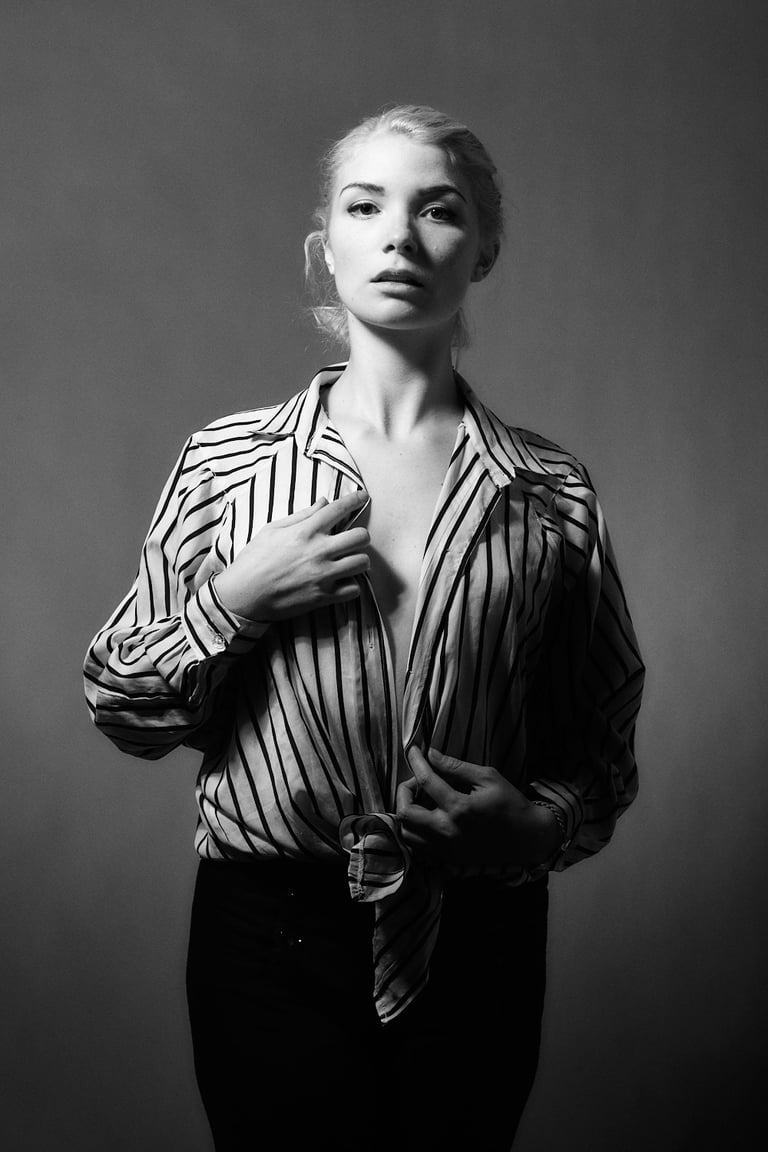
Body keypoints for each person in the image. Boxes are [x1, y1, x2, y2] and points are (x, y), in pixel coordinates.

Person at [84, 105, 644, 1151]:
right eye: (365, 205)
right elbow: (123, 705)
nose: (399, 235)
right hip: (269, 940)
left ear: (483, 249)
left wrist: (535, 827)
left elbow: (599, 748)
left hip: (480, 937)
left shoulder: (552, 495)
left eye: (438, 209)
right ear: (323, 249)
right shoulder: (227, 466)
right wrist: (232, 601)